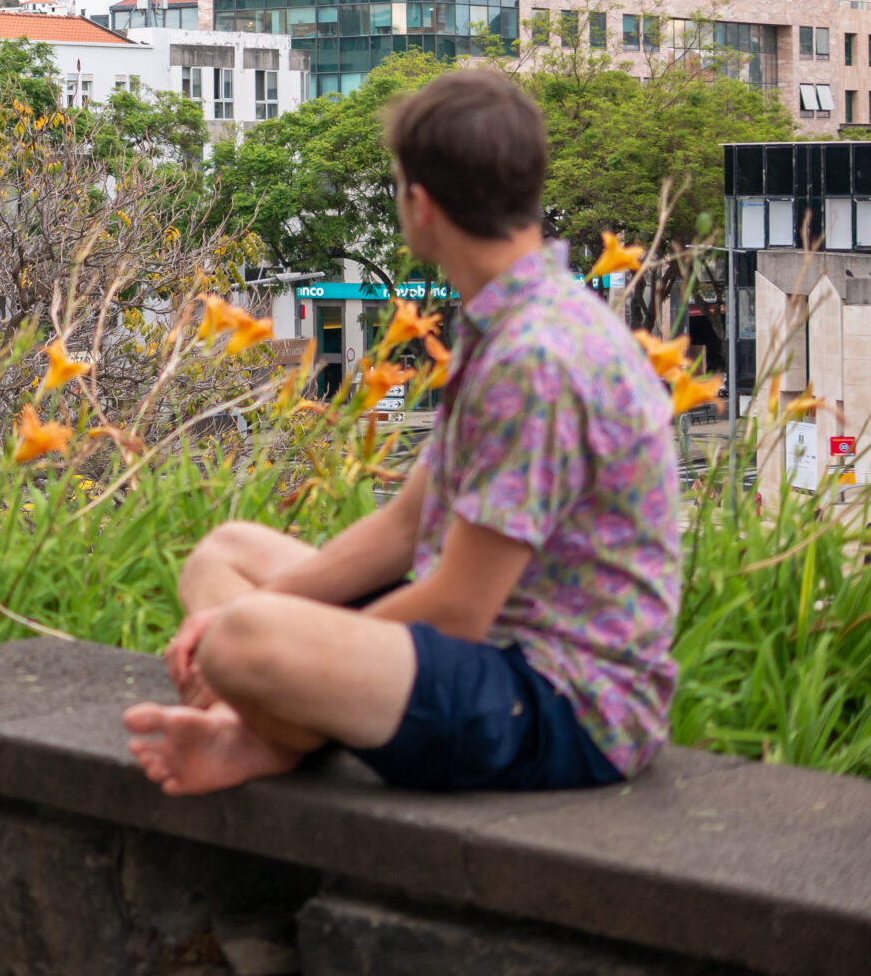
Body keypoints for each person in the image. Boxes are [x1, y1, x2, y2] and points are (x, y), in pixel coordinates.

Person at [125, 68, 679, 794]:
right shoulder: (516, 318)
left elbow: (457, 606)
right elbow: (406, 526)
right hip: (494, 653)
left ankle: (257, 732)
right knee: (221, 561)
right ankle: (273, 724)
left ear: (419, 204)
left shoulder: (534, 359)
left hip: (562, 703)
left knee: (239, 641)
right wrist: (281, 619)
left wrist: (272, 642)